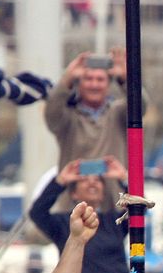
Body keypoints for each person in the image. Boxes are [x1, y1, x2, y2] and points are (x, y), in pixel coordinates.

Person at [28, 157, 130, 273]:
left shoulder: (115, 222)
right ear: (73, 193)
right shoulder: (63, 224)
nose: (92, 183)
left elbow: (140, 208)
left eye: (97, 180)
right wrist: (60, 181)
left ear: (104, 191)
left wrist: (123, 178)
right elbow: (37, 212)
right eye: (84, 180)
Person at [45, 48, 134, 201]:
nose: (94, 85)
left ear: (108, 84)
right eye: (88, 79)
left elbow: (140, 107)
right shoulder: (67, 117)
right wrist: (67, 78)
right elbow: (51, 111)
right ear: (79, 83)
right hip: (72, 207)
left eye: (100, 79)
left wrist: (126, 79)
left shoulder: (119, 113)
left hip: (114, 205)